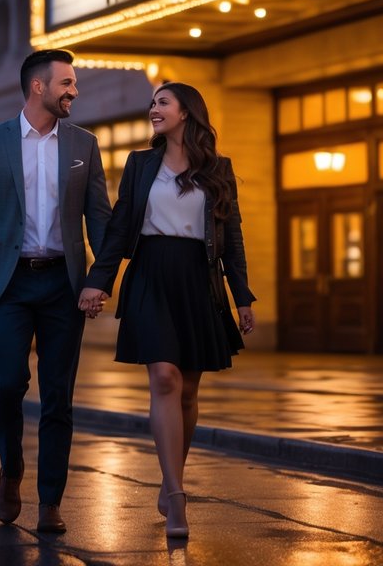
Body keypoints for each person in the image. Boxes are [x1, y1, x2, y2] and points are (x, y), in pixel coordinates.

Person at [80, 81, 255, 538]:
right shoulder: (140, 165)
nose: (153, 109)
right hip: (152, 275)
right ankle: (177, 495)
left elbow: (231, 237)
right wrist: (99, 282)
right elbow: (120, 228)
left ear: (186, 112)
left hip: (199, 279)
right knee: (164, 377)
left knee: (190, 392)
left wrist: (242, 296)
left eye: (163, 102)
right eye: (152, 102)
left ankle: (169, 477)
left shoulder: (218, 169)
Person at [0, 49, 112, 534]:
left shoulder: (85, 143)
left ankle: (50, 501)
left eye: (75, 83)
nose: (74, 91)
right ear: (38, 87)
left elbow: (99, 217)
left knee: (59, 396)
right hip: (9, 282)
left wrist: (99, 279)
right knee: (8, 385)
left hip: (64, 283)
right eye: (67, 83)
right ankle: (11, 469)